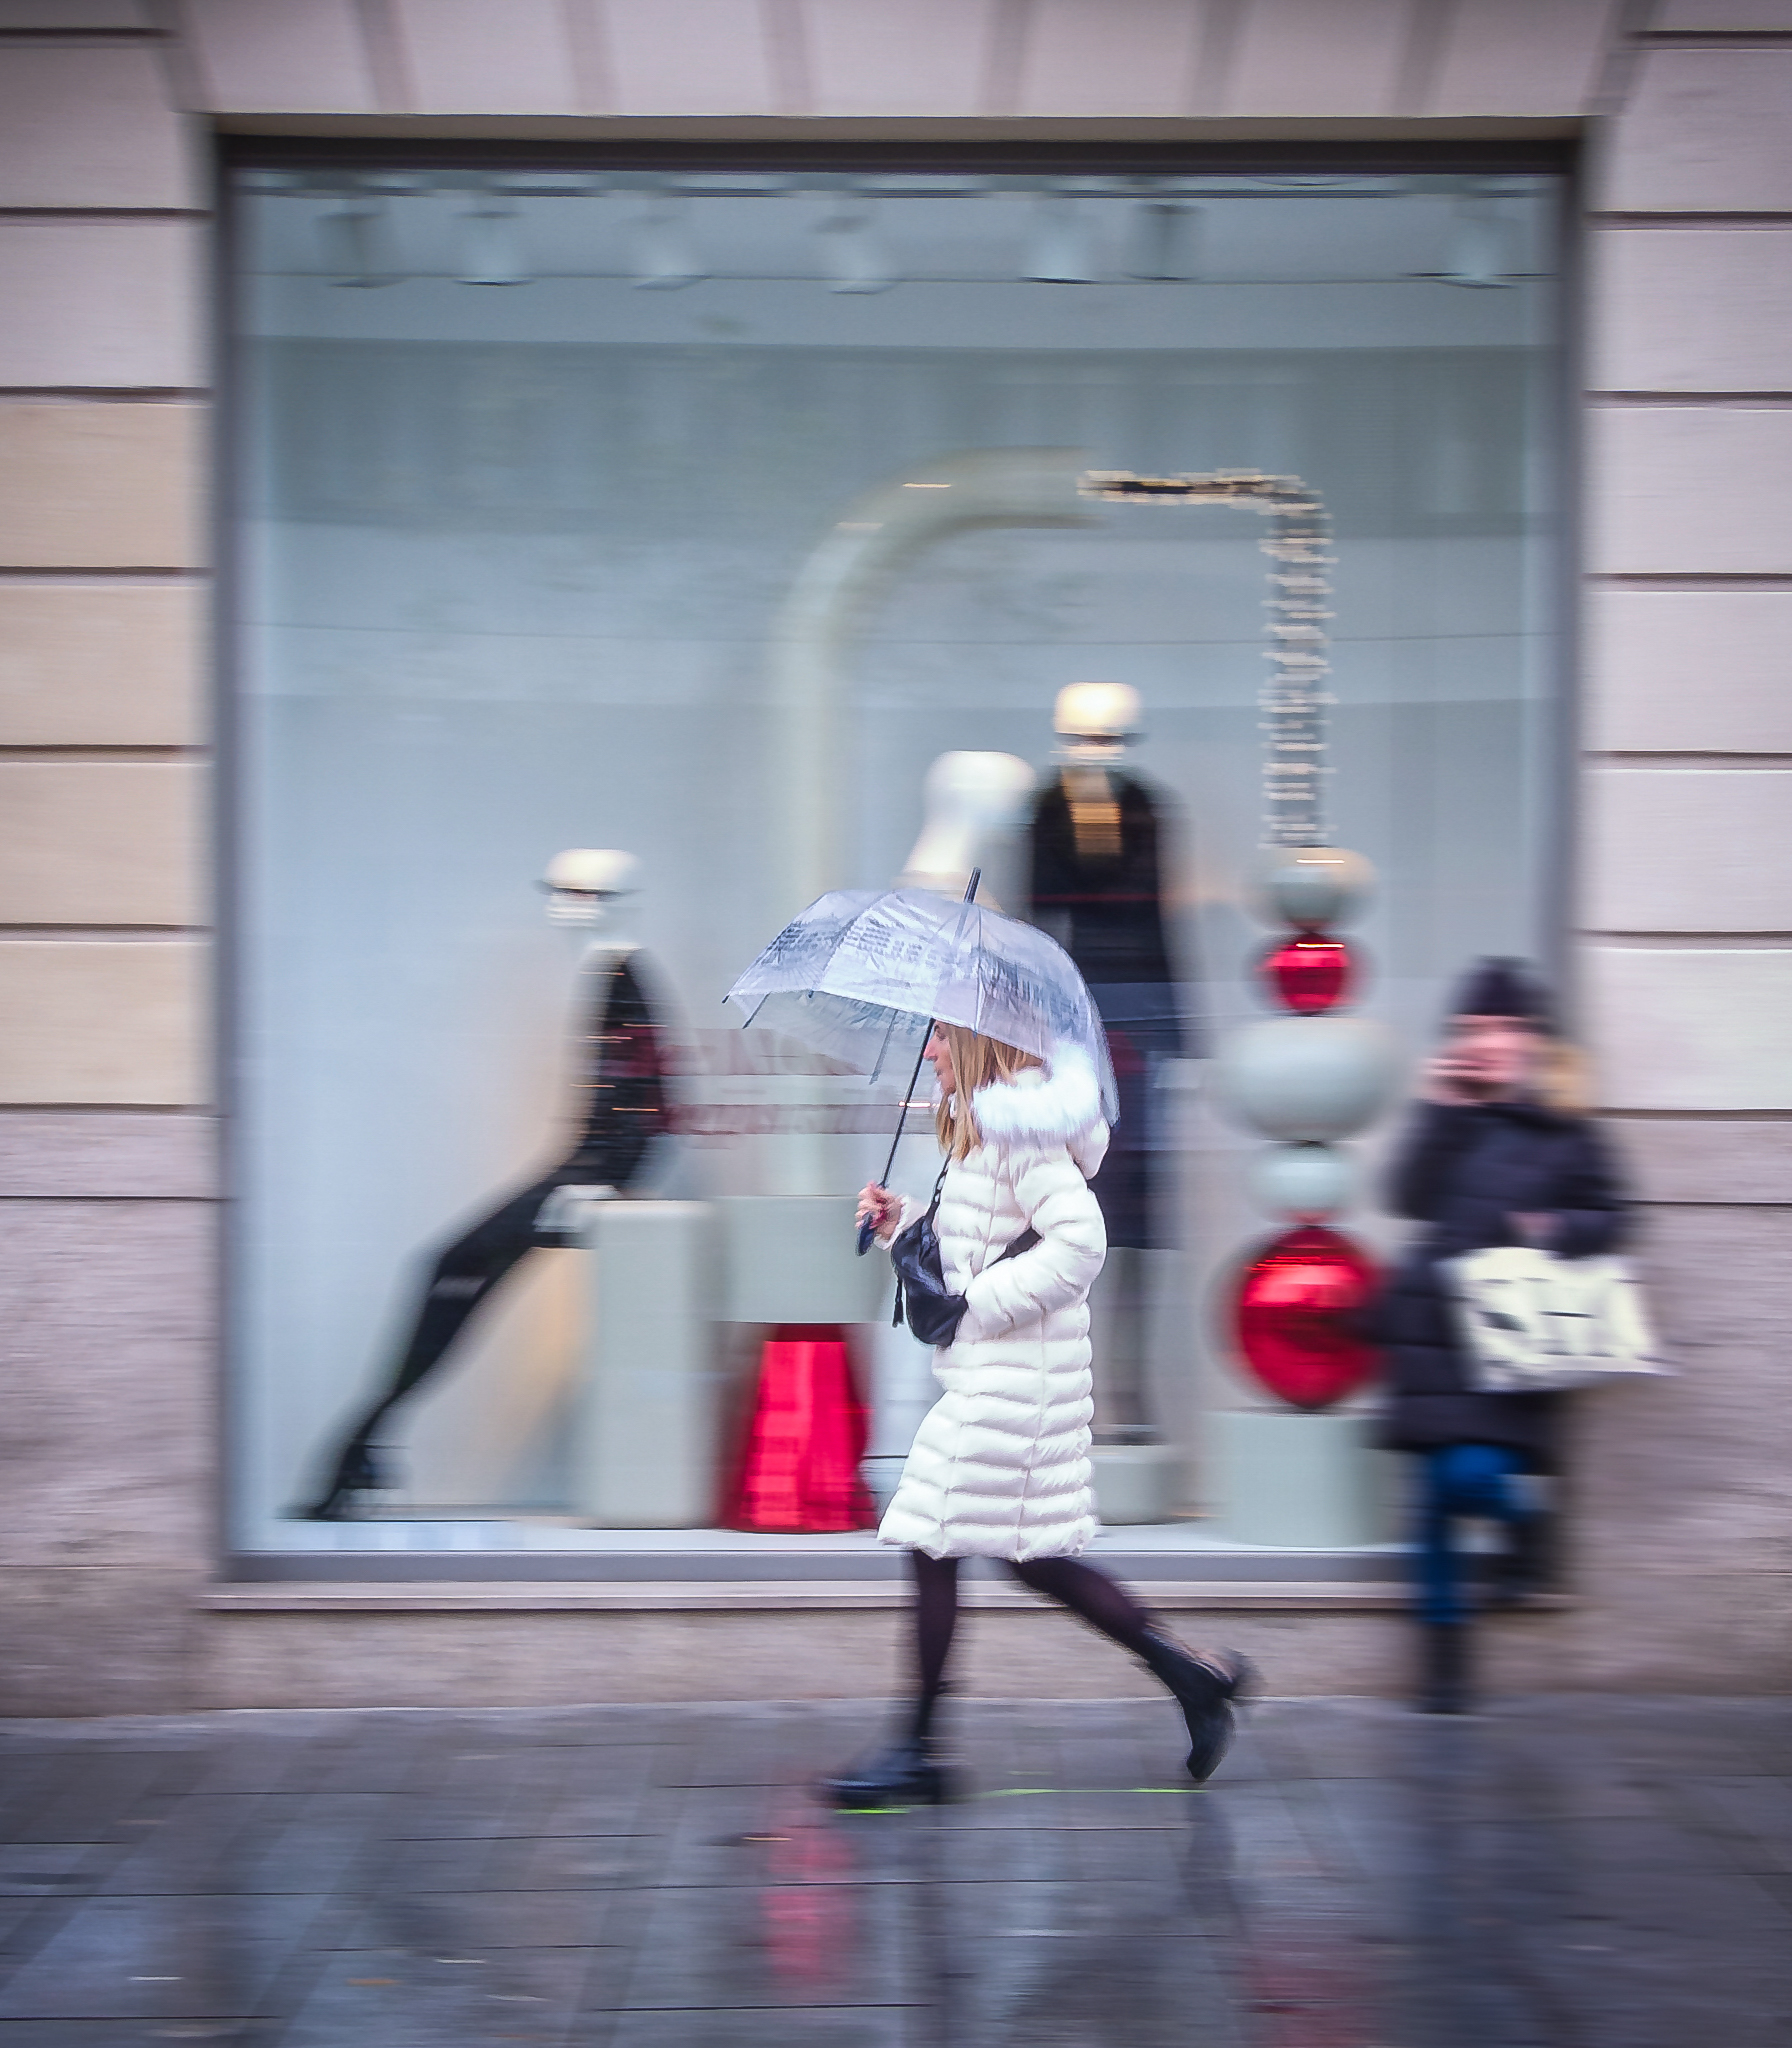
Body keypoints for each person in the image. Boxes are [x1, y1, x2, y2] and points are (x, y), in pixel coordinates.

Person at [825, 1021, 1253, 1807]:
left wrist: (977, 1307)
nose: (930, 1052)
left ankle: (918, 1751)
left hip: (1015, 1383)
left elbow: (1079, 1244)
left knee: (933, 1538)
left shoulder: (1018, 1128)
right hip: (1002, 1377)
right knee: (1027, 1555)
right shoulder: (983, 1128)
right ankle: (1192, 1678)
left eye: (941, 1038)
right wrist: (900, 1226)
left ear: (977, 1042)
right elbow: (977, 1244)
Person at [1376, 958, 1628, 1714]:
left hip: (1513, 1343)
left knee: (1471, 1477)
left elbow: (1615, 1218)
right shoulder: (1454, 1113)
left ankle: (1530, 1524)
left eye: (1499, 1026)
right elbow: (1406, 1196)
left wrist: (1556, 1228)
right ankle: (1444, 1669)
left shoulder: (1566, 1129)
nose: (1483, 1039)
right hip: (1433, 1338)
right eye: (1471, 1026)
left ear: (1532, 1037)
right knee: (1432, 1511)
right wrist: (1438, 1107)